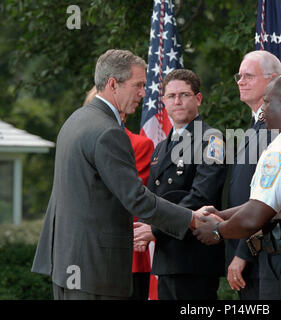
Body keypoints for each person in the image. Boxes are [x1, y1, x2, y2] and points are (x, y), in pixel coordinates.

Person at [31, 49, 199, 300]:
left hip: (67, 265)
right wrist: (191, 219)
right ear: (113, 84)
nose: (144, 93)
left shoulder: (75, 120)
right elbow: (136, 199)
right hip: (96, 271)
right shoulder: (108, 132)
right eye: (138, 85)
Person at [193, 73, 281, 300]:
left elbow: (254, 217)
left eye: (267, 102)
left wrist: (218, 231)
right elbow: (264, 202)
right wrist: (221, 214)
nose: (262, 111)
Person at [133, 69, 227, 300]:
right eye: (171, 96)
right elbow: (154, 198)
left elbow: (201, 197)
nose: (177, 101)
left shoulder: (211, 140)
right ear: (163, 100)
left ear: (198, 99)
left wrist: (153, 230)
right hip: (167, 257)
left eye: (184, 95)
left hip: (194, 258)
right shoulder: (161, 148)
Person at [83, 85, 155, 300]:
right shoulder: (81, 143)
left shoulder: (140, 145)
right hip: (89, 249)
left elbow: (131, 196)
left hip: (127, 249)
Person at [225, 50, 281, 300]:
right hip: (253, 257)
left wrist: (243, 253)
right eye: (239, 76)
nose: (240, 81)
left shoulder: (276, 128)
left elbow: (269, 201)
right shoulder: (256, 126)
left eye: (248, 76)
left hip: (264, 257)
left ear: (271, 81)